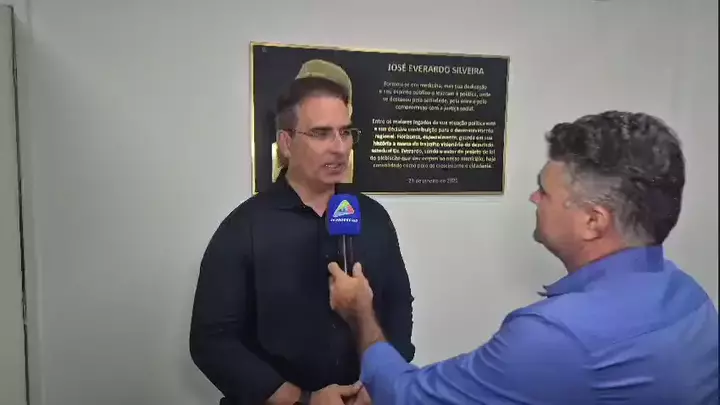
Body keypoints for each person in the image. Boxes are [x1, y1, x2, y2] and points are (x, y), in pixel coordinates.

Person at [328, 111, 719, 404]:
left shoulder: (555, 336)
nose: (534, 199)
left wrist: (361, 314)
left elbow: (408, 397)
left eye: (544, 191)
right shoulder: (691, 297)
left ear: (593, 221)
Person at [189, 75, 415, 405]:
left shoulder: (374, 218)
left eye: (345, 132)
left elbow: (399, 309)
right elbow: (212, 341)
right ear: (286, 142)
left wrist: (381, 382)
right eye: (321, 133)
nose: (340, 147)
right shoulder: (243, 227)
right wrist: (303, 399)